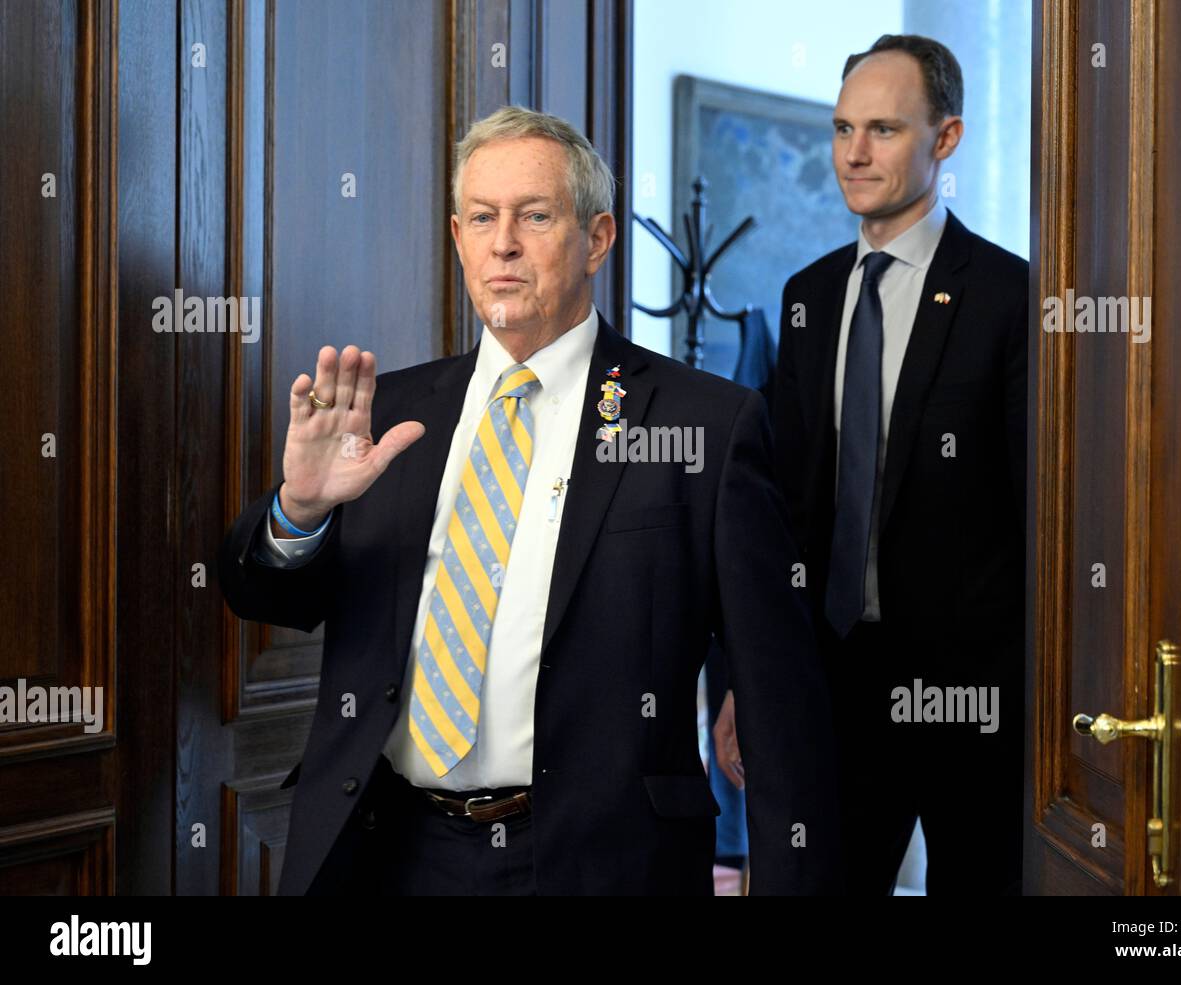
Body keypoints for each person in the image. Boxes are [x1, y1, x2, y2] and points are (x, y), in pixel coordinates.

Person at [217, 105, 842, 895]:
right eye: (482, 217)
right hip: (387, 851)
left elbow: (780, 702)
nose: (502, 242)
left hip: (599, 860)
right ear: (457, 237)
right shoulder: (388, 415)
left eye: (535, 215)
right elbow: (265, 595)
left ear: (599, 238)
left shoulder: (703, 423)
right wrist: (299, 510)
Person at [714, 34, 1028, 895]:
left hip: (974, 708)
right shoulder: (808, 296)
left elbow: (1043, 520)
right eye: (843, 128)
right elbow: (779, 508)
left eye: (884, 129)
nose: (854, 153)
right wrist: (750, 672)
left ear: (946, 138)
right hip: (831, 689)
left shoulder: (1011, 298)